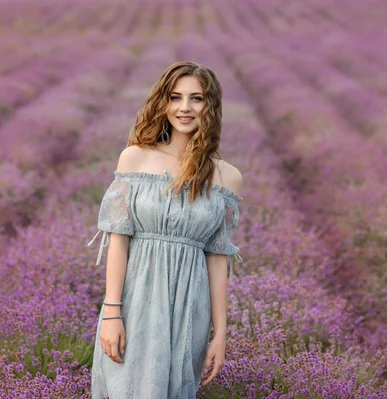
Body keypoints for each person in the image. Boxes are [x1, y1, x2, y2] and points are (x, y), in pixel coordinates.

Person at [87, 61, 243, 399]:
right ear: (163, 102)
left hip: (190, 306)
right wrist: (112, 312)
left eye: (196, 99)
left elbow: (218, 260)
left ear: (210, 106)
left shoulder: (227, 177)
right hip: (134, 302)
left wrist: (220, 335)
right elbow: (118, 241)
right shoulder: (135, 158)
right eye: (175, 97)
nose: (184, 108)